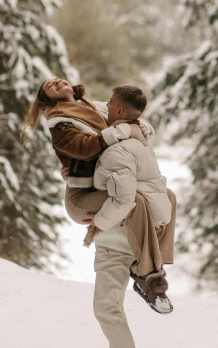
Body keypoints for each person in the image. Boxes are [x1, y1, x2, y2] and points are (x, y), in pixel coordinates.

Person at [20, 79, 176, 302]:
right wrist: (116, 134)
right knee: (135, 201)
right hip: (81, 198)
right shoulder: (59, 120)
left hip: (103, 186)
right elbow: (82, 148)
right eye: (49, 86)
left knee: (167, 195)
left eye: (57, 80)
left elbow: (123, 114)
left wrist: (139, 127)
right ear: (49, 98)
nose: (55, 82)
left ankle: (159, 259)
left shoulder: (92, 106)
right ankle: (147, 275)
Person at [89, 84, 174, 348]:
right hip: (137, 233)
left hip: (120, 235)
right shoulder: (135, 135)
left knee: (106, 307)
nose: (105, 106)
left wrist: (95, 224)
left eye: (110, 103)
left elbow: (124, 201)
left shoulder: (117, 149)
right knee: (113, 303)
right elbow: (95, 107)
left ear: (120, 112)